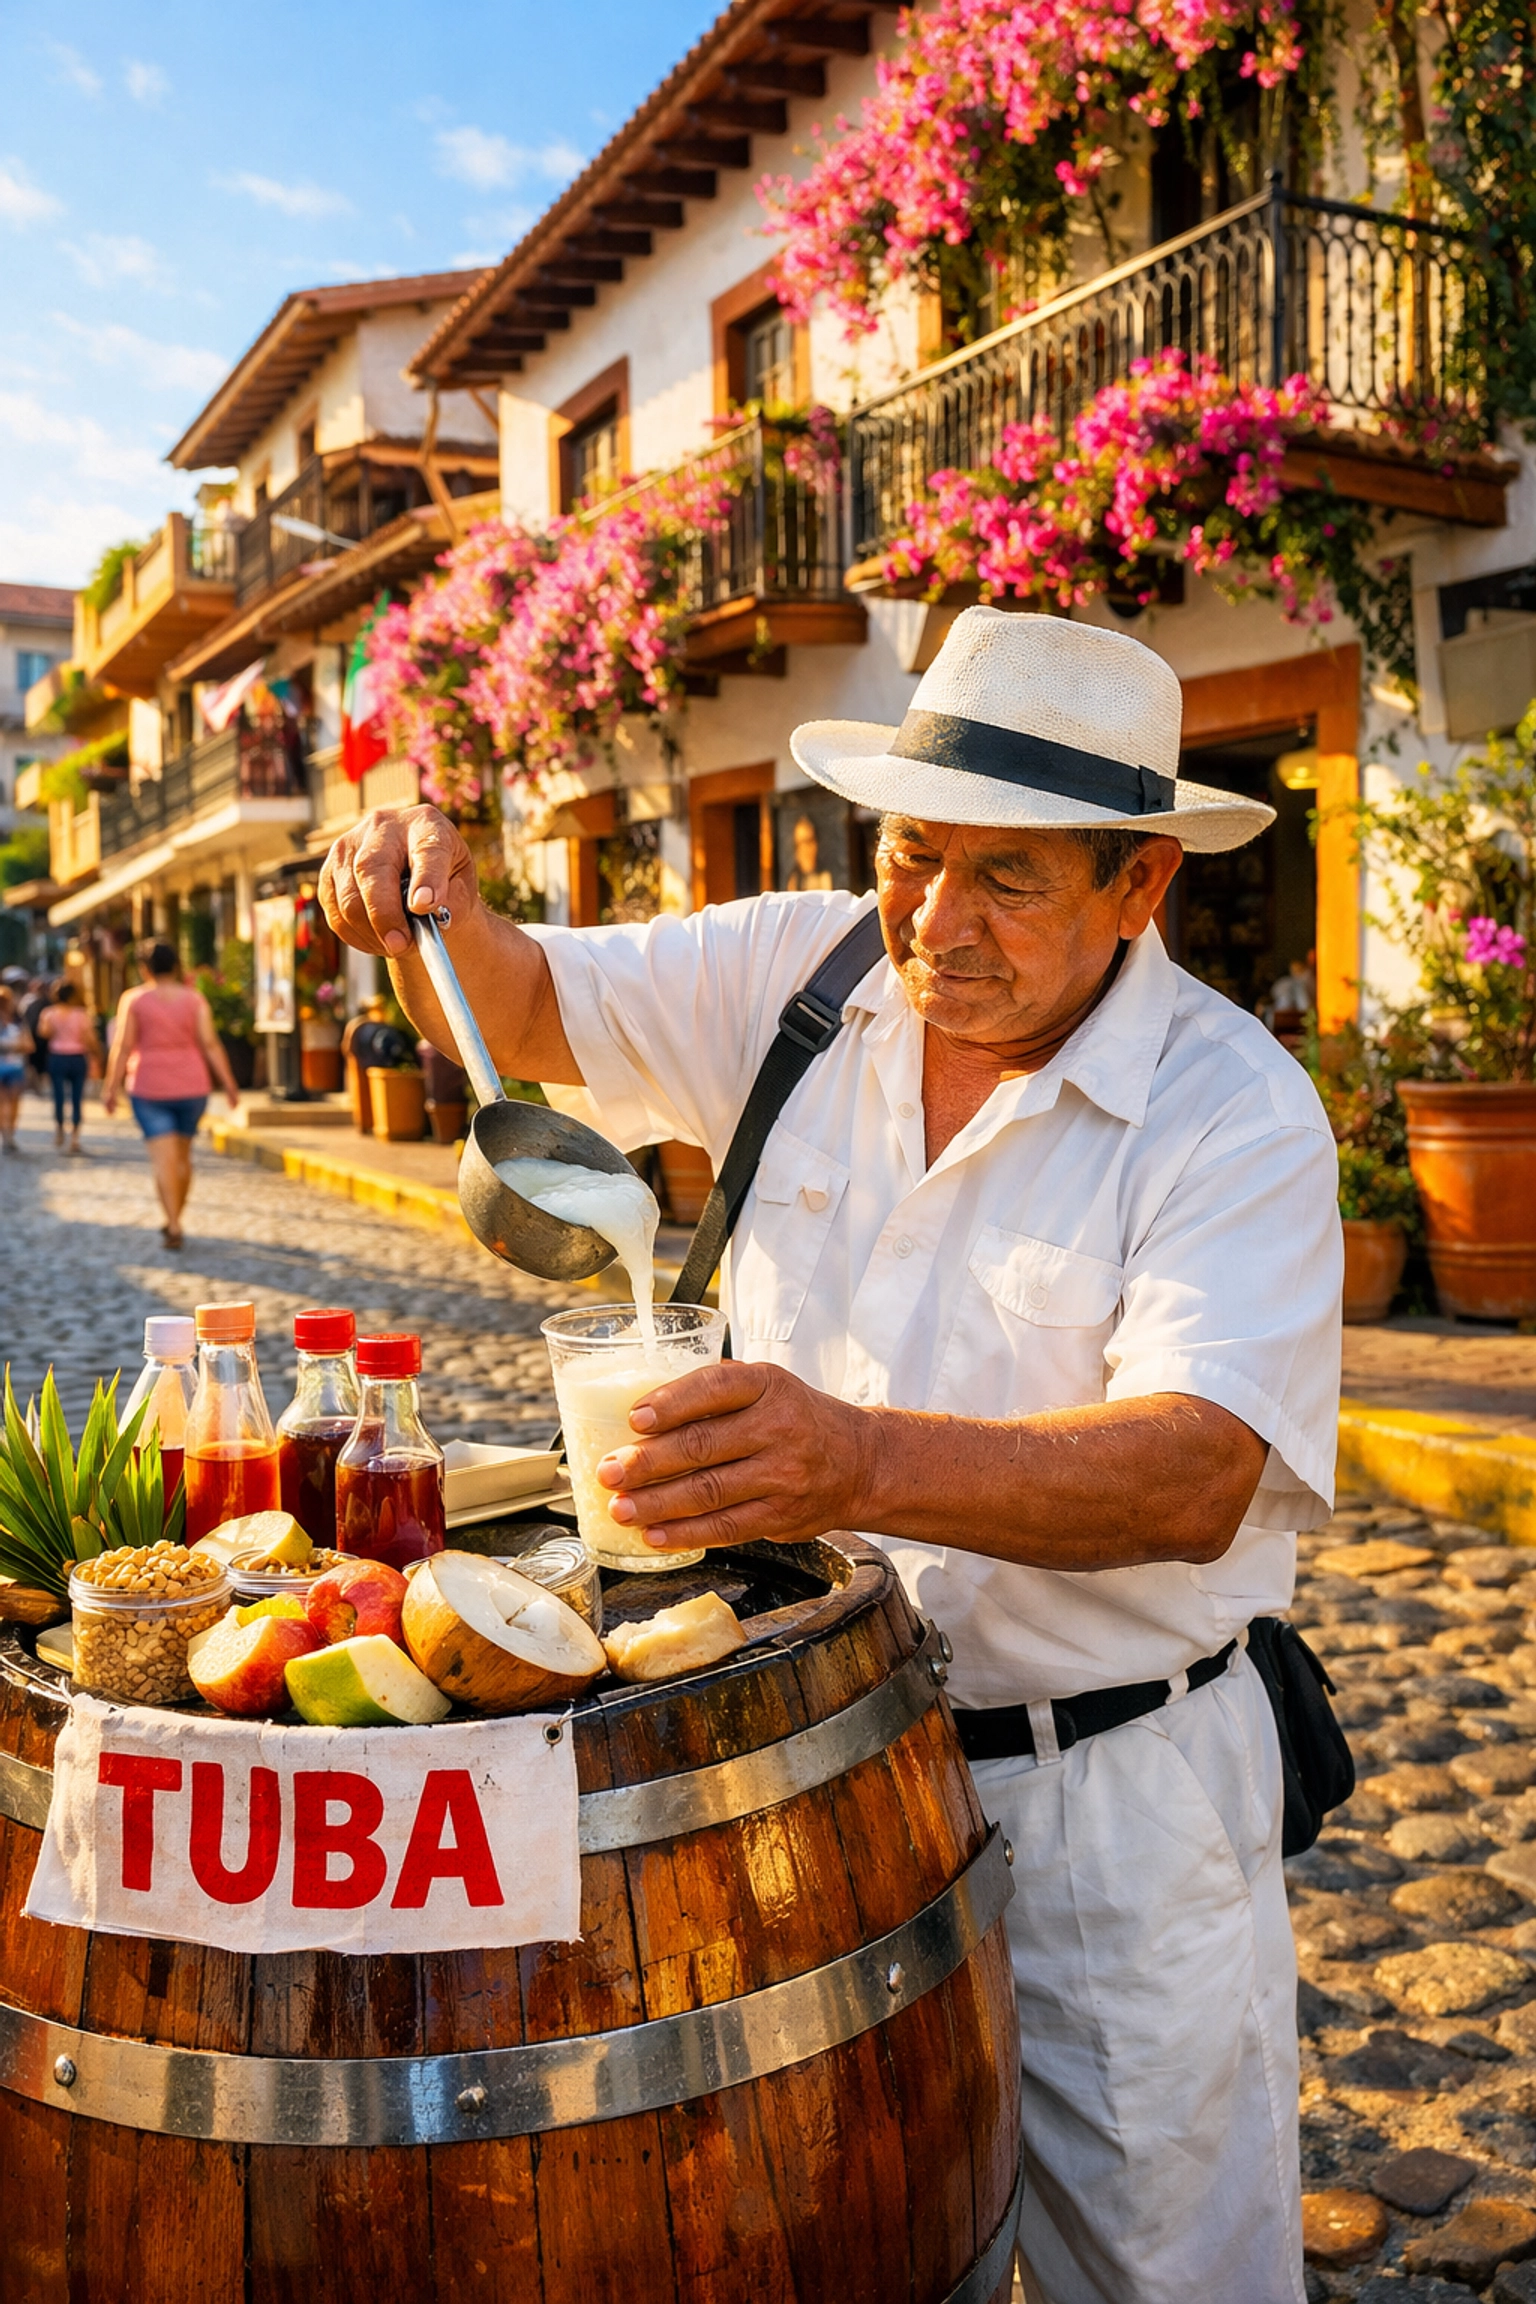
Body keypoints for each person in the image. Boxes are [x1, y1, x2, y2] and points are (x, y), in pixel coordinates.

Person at [319, 609, 1341, 2304]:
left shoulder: (1228, 1106)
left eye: (1008, 879)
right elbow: (521, 997)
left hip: (1108, 1803)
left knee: (1157, 2272)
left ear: (1139, 886)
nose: (937, 923)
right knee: (828, 2237)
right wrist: (432, 895)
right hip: (799, 1772)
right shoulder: (801, 971)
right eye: (913, 854)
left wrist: (848, 1456)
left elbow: (1191, 1469)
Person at [101, 940, 240, 1247]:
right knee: (183, 1159)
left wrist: (110, 1087)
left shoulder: (134, 999)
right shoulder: (194, 999)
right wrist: (229, 1084)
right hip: (192, 1085)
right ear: (177, 965)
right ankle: (176, 1217)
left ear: (143, 968)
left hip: (149, 1086)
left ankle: (173, 1223)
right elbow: (211, 1044)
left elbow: (122, 1046)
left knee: (163, 1161)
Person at [35, 979, 100, 1154]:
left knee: (58, 1096)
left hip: (57, 1057)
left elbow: (43, 1033)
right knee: (77, 1097)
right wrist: (96, 1054)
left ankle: (59, 1131)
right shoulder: (81, 1014)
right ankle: (75, 1137)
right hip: (77, 1057)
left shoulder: (49, 1013)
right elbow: (89, 1038)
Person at [0, 987, 31, 1151]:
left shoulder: (18, 1022)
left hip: (15, 1067)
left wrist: (15, 1047)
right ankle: (6, 1135)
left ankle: (9, 1133)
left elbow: (29, 1045)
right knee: (3, 1102)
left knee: (13, 1103)